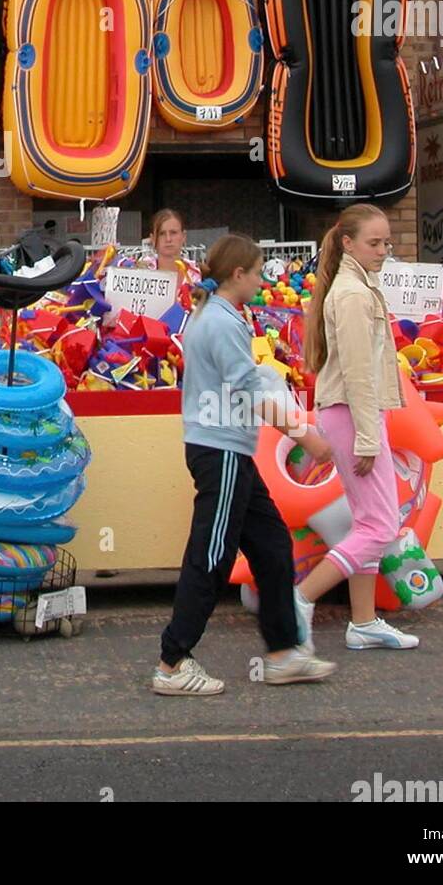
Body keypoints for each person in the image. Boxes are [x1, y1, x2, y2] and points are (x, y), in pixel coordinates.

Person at [153, 234, 336, 696]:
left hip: (225, 449)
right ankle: (173, 662)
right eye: (256, 272)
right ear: (238, 274)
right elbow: (247, 391)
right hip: (222, 452)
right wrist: (304, 434)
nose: (261, 280)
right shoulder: (222, 321)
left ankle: (283, 653)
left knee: (272, 546)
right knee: (211, 557)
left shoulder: (214, 314)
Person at [292, 204, 417, 653]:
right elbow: (360, 374)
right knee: (381, 527)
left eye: (387, 243)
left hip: (351, 413)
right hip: (351, 414)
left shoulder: (356, 287)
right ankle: (300, 598)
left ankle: (363, 621)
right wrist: (368, 436)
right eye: (375, 243)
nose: (384, 250)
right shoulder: (352, 294)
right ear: (348, 244)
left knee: (368, 521)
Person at [132, 208, 201, 283]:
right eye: (161, 234)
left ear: (183, 236)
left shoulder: (197, 273)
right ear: (152, 239)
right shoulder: (140, 272)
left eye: (173, 232)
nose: (168, 239)